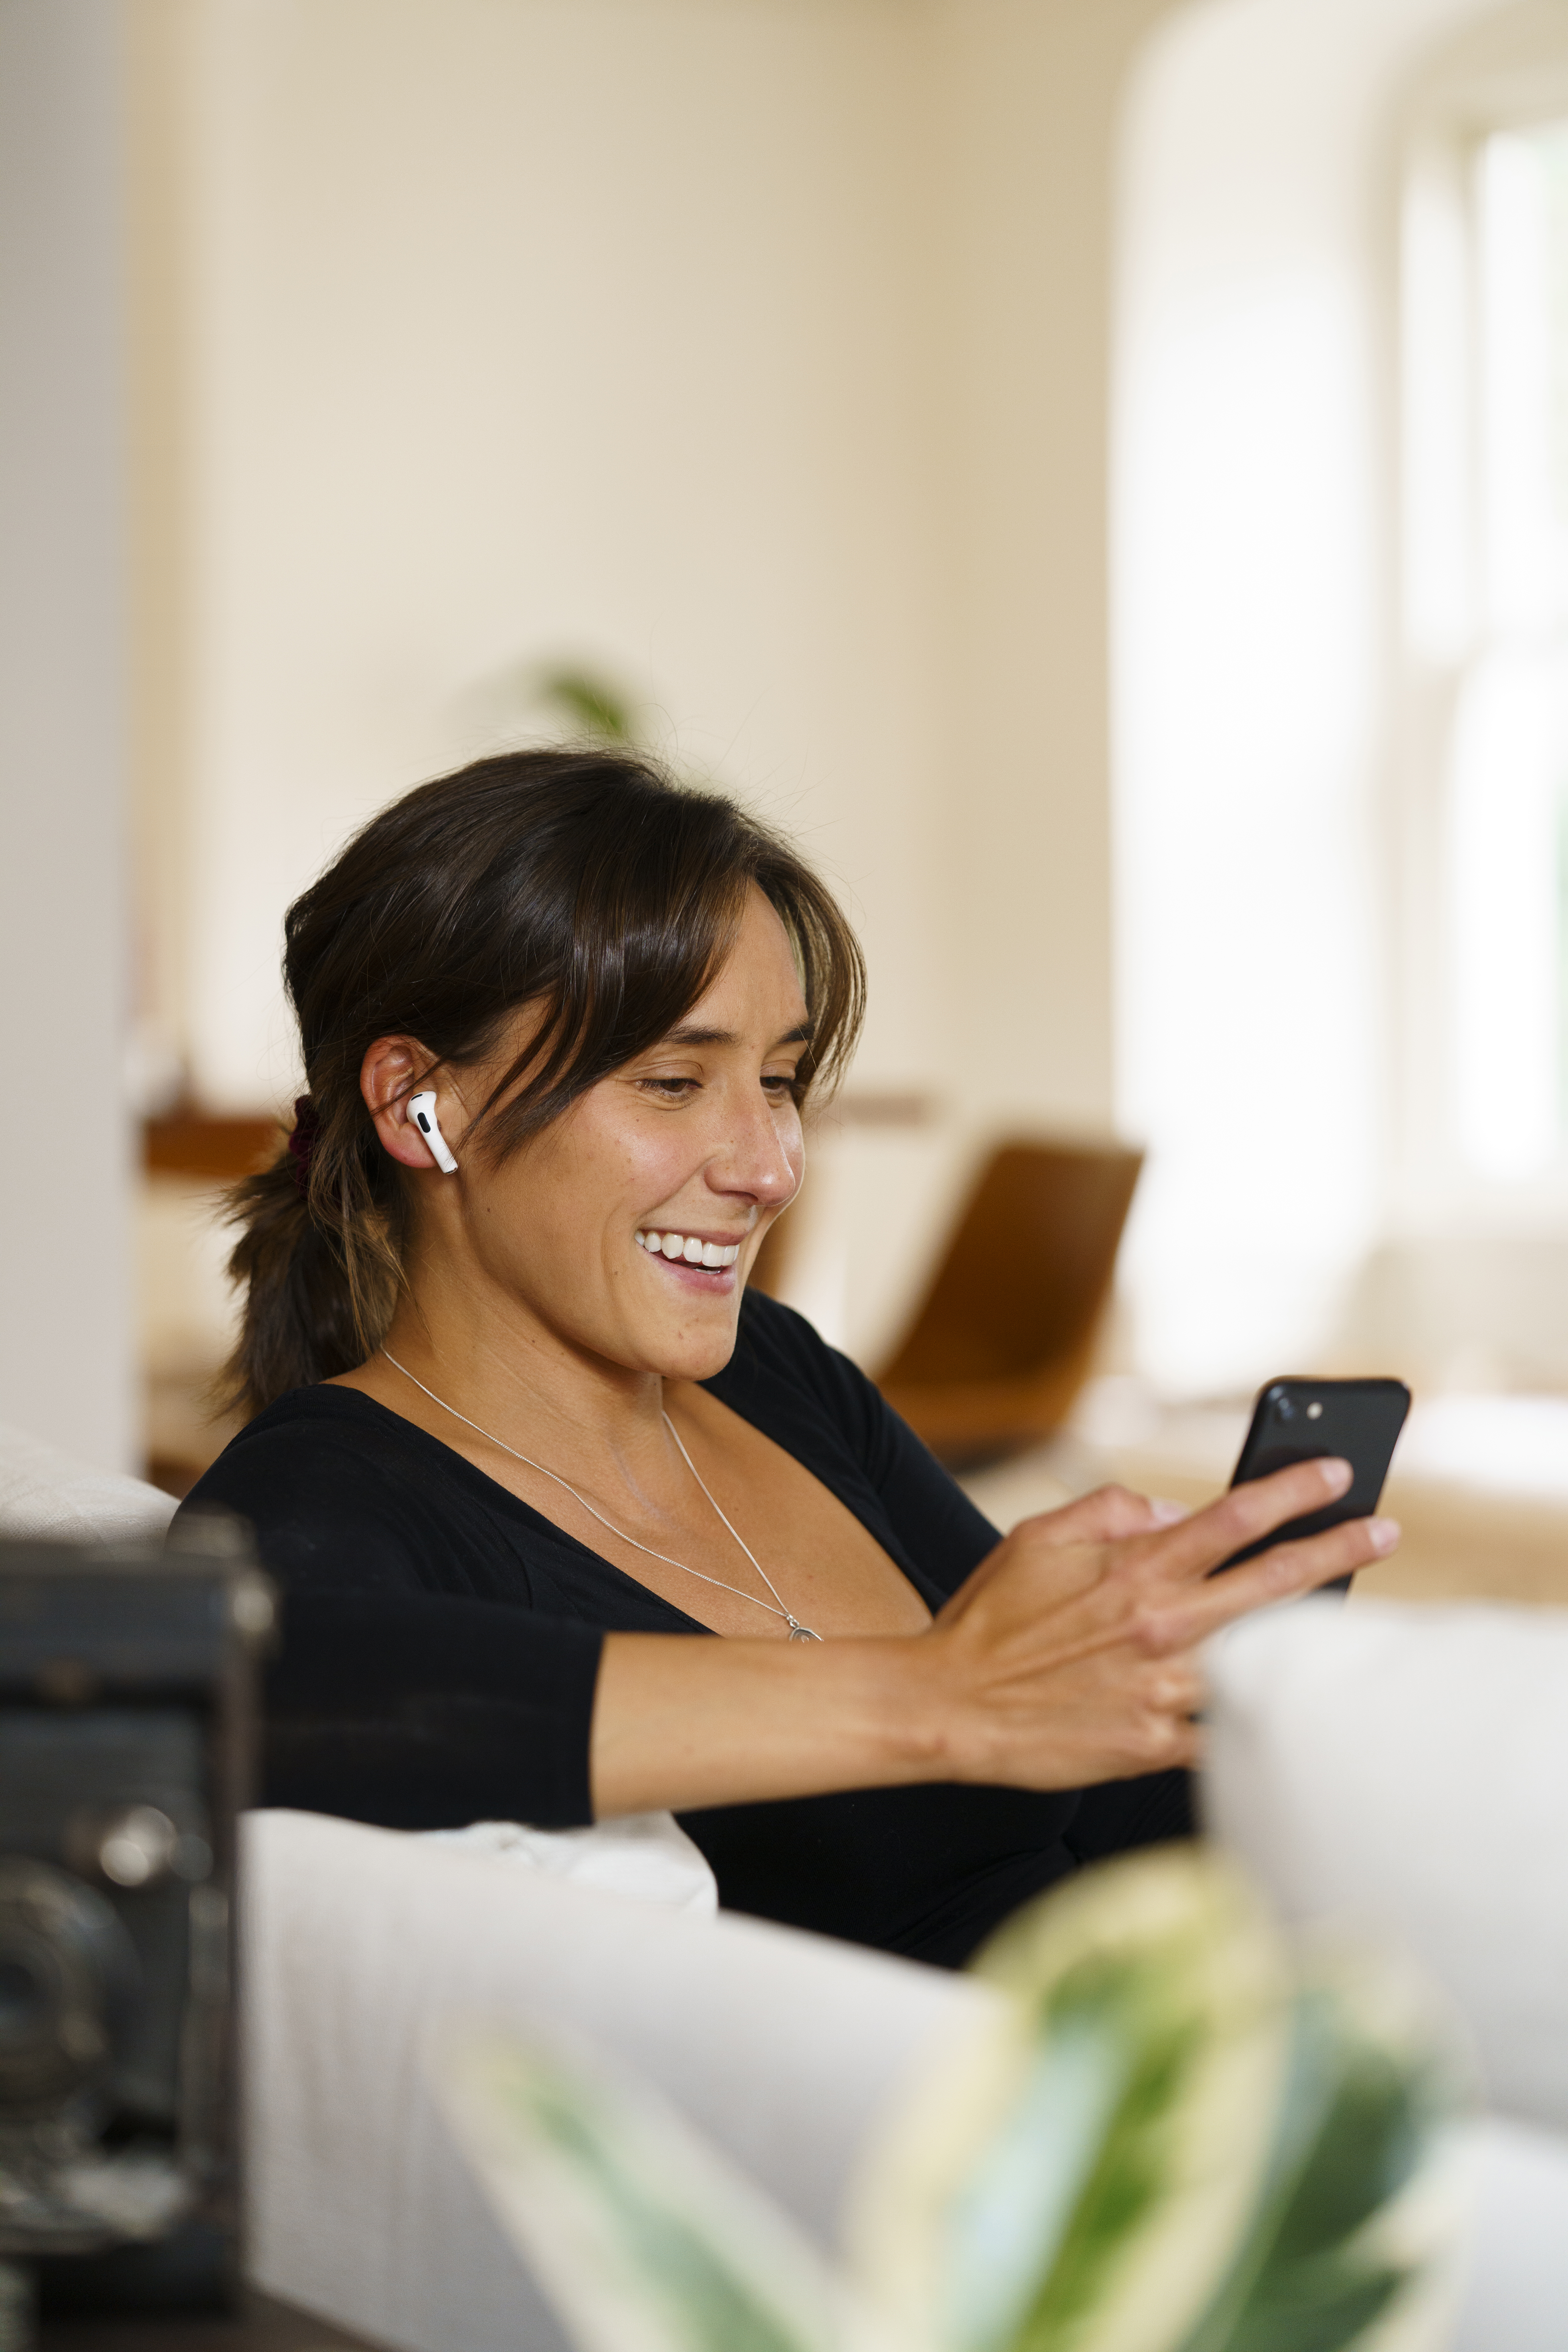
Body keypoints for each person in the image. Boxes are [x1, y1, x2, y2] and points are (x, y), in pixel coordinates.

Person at [178, 749, 1396, 1969]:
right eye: (670, 1081)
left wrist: (1184, 1689)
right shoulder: (325, 1502)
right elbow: (260, 1699)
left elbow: (1083, 1790)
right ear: (419, 1105)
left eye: (777, 1080)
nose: (767, 1166)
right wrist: (932, 1698)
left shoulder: (768, 1368)